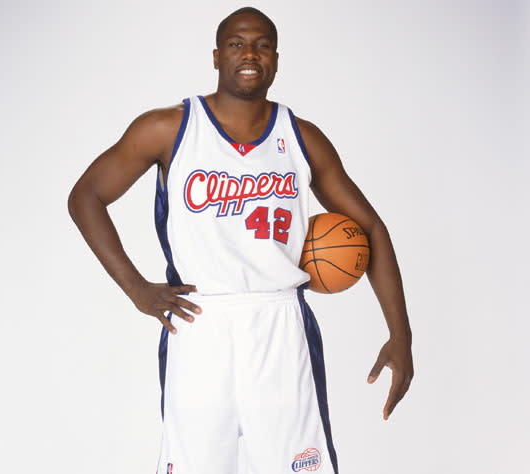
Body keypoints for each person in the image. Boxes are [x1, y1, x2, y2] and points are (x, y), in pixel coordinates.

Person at [67, 7, 413, 474]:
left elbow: (370, 226)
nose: (250, 54)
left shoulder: (301, 137)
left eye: (262, 44)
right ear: (215, 56)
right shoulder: (169, 128)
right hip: (198, 322)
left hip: (280, 324)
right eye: (236, 43)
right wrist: (136, 288)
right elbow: (86, 196)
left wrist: (401, 334)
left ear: (276, 58)